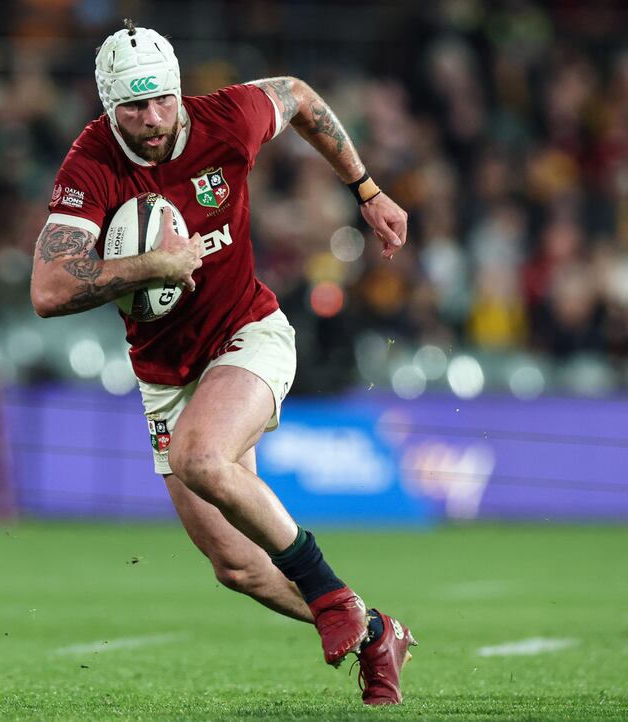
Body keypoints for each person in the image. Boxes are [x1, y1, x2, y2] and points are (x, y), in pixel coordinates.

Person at [30, 21, 415, 705]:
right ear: (106, 104)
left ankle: (329, 596)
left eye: (162, 101)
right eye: (133, 107)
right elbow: (50, 289)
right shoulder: (91, 162)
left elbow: (297, 97)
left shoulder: (226, 118)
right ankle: (376, 630)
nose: (151, 119)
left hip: (249, 335)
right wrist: (153, 263)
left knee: (200, 459)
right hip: (165, 375)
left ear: (179, 90)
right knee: (237, 566)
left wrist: (367, 190)